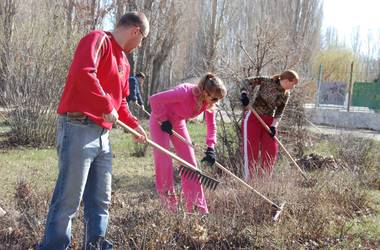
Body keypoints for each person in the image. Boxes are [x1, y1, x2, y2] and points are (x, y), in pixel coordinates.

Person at [38, 11, 149, 250]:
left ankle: (96, 246)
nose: (139, 45)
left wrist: (134, 126)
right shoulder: (98, 39)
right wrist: (104, 105)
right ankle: (54, 246)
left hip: (103, 137)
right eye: (142, 40)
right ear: (135, 31)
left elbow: (119, 103)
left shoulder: (125, 63)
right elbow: (83, 72)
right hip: (79, 127)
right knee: (69, 199)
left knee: (101, 201)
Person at [149, 73, 227, 214]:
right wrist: (162, 119)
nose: (216, 102)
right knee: (164, 161)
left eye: (218, 99)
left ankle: (198, 209)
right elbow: (154, 100)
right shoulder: (184, 92)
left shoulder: (209, 103)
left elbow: (212, 126)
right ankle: (169, 207)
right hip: (160, 122)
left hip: (177, 122)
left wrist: (211, 147)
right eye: (214, 98)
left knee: (190, 165)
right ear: (204, 91)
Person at [240, 70, 299, 181]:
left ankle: (264, 182)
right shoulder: (267, 81)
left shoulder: (286, 93)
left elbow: (280, 112)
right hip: (254, 117)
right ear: (286, 81)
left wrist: (274, 126)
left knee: (271, 151)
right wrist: (244, 94)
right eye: (293, 84)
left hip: (269, 122)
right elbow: (245, 82)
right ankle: (249, 181)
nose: (293, 87)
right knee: (251, 150)